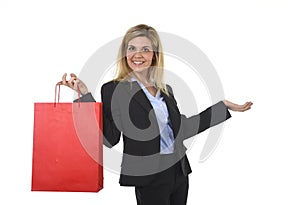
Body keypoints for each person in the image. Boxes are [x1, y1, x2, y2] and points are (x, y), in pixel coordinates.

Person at [61, 24, 253, 205]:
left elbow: (182, 129)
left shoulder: (165, 90)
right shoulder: (114, 89)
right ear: (124, 53)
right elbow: (109, 138)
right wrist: (85, 96)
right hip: (149, 176)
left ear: (154, 55)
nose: (138, 54)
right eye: (132, 48)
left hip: (179, 171)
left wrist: (223, 107)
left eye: (145, 49)